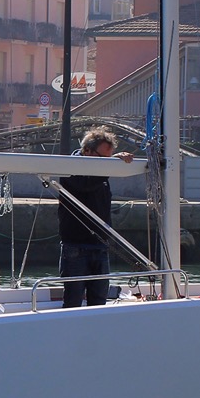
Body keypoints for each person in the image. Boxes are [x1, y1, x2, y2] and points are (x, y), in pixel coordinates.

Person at [57, 126, 133, 308]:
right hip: (75, 246)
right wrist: (110, 166)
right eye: (103, 158)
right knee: (73, 300)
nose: (106, 164)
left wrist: (111, 164)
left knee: (99, 300)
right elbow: (85, 185)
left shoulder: (101, 173)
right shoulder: (69, 168)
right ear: (87, 151)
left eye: (109, 158)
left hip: (100, 245)